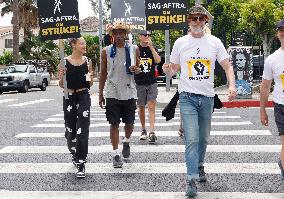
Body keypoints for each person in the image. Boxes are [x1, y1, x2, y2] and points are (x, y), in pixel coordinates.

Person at [163, 5, 236, 197]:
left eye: (200, 18)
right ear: (188, 21)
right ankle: (191, 179)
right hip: (187, 97)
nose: (197, 22)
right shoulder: (180, 43)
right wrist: (167, 70)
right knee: (192, 138)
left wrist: (232, 86)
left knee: (203, 138)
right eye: (193, 18)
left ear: (205, 21)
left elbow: (228, 67)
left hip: (207, 98)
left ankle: (200, 165)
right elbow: (174, 69)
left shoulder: (215, 42)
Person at [99, 21, 140, 168]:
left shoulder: (134, 49)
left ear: (126, 34)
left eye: (121, 33)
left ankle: (126, 141)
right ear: (112, 35)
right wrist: (100, 94)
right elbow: (103, 73)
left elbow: (139, 70)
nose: (118, 35)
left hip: (129, 91)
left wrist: (137, 69)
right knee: (114, 123)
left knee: (129, 123)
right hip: (112, 92)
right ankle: (116, 154)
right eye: (115, 33)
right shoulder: (106, 51)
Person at [58, 37, 93, 178]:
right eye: (81, 43)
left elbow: (89, 84)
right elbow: (62, 85)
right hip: (69, 96)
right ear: (73, 45)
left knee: (82, 130)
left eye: (84, 42)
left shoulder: (87, 61)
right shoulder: (64, 62)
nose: (84, 45)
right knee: (70, 130)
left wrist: (90, 77)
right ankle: (73, 151)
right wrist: (61, 76)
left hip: (83, 95)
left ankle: (81, 161)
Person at [260, 19, 284, 181]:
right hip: (281, 105)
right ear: (277, 34)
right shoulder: (272, 59)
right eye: (281, 30)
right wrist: (262, 110)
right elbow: (265, 86)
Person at [135, 30, 161, 143]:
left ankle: (152, 131)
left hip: (151, 81)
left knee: (151, 105)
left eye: (149, 35)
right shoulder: (136, 49)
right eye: (145, 35)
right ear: (140, 36)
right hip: (139, 81)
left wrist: (151, 47)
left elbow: (158, 60)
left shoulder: (152, 48)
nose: (147, 37)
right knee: (141, 106)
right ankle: (143, 129)